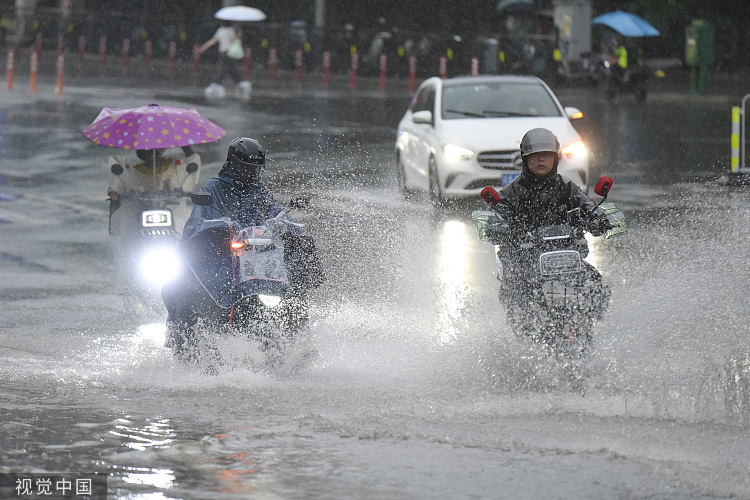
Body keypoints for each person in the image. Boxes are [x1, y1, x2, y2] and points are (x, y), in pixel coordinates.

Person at [162, 137, 324, 350]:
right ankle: (189, 338)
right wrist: (221, 229)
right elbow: (199, 221)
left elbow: (275, 213)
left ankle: (299, 341)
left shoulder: (260, 191)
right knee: (187, 286)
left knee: (293, 288)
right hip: (223, 258)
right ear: (233, 165)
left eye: (256, 170)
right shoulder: (214, 188)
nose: (251, 174)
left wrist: (287, 225)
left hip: (260, 258)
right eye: (246, 169)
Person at [493, 128, 610, 320]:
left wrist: (597, 219)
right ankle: (524, 326)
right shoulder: (512, 192)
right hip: (527, 257)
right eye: (535, 156)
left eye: (546, 155)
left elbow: (586, 204)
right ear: (525, 159)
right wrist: (502, 227)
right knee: (516, 287)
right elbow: (498, 215)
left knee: (595, 284)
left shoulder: (566, 187)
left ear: (555, 158)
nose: (541, 160)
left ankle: (588, 322)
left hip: (564, 256)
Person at [107, 146, 201, 236]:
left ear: (162, 150)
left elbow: (192, 161)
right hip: (140, 214)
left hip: (171, 212)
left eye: (156, 150)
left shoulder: (174, 166)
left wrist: (184, 145)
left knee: (186, 228)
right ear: (141, 152)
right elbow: (121, 182)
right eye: (148, 150)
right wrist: (115, 192)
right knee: (127, 230)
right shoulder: (133, 171)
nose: (152, 153)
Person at [197, 20, 242, 88]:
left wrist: (204, 47)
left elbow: (213, 40)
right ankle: (218, 83)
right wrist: (239, 34)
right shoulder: (232, 30)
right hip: (229, 52)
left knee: (229, 68)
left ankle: (236, 82)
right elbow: (234, 41)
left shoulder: (221, 30)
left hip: (222, 52)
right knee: (228, 68)